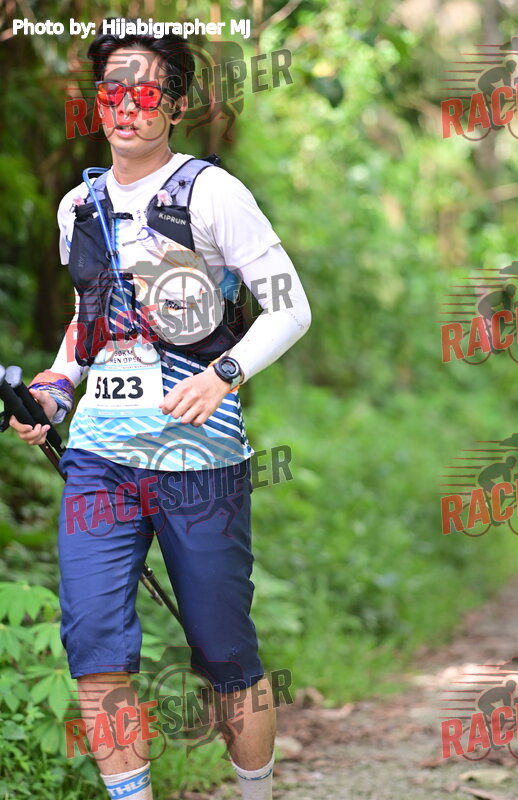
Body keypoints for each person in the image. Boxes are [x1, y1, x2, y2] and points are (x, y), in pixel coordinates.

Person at [9, 19, 311, 800]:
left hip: (200, 461)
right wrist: (55, 388)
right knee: (94, 649)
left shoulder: (214, 194)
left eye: (145, 94)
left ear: (174, 105)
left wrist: (224, 374)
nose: (126, 107)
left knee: (225, 653)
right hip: (99, 461)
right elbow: (88, 322)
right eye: (112, 92)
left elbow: (289, 308)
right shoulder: (78, 206)